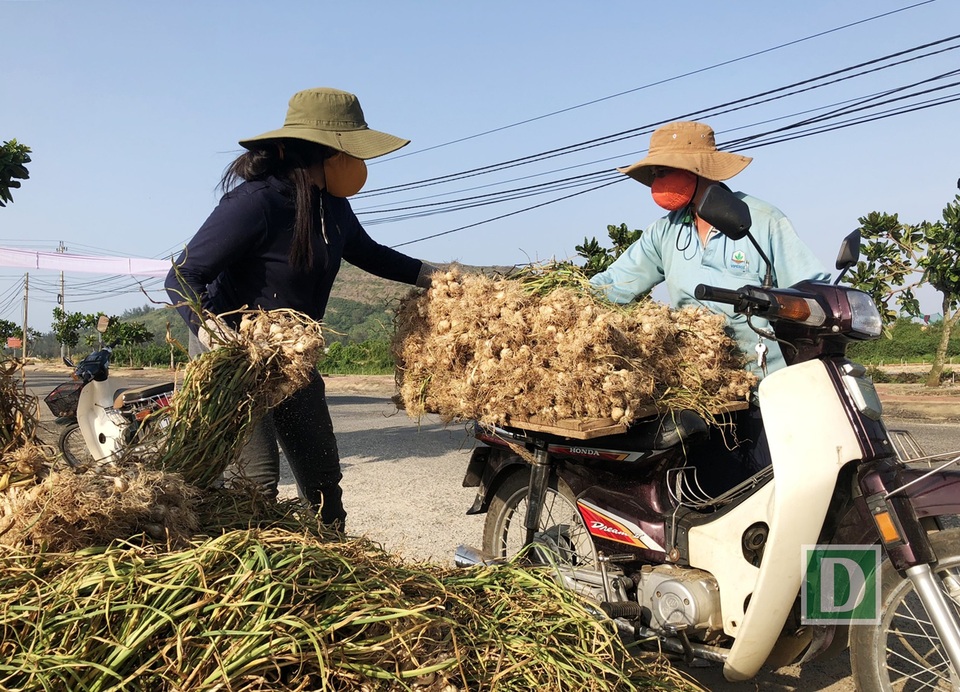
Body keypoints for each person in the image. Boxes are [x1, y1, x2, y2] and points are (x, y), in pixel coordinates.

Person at [165, 87, 437, 528]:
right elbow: (182, 276)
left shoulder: (334, 207)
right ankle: (253, 580)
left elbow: (372, 254)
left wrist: (438, 276)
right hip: (235, 358)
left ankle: (336, 570)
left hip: (292, 357)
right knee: (257, 483)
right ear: (324, 150)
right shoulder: (257, 202)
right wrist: (212, 331)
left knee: (324, 480)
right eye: (350, 149)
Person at [589, 121, 830, 492]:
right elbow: (615, 285)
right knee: (713, 492)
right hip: (705, 393)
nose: (658, 182)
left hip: (767, 388)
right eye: (655, 174)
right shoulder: (665, 232)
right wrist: (561, 297)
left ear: (698, 171)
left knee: (780, 491)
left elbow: (814, 289)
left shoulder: (761, 220)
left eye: (665, 172)